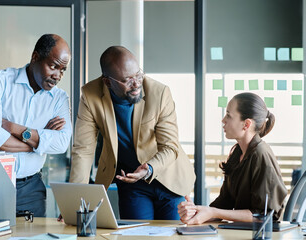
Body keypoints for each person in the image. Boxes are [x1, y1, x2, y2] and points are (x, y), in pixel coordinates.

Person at [69, 46, 195, 220]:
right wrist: (76, 200)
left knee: (172, 234)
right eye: (127, 80)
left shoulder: (159, 93)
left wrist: (148, 168)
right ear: (107, 81)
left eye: (138, 75)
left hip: (168, 177)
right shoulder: (91, 96)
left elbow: (170, 146)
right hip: (132, 182)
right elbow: (83, 150)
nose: (136, 84)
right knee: (135, 235)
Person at [0, 34, 72, 217]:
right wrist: (39, 142)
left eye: (63, 70)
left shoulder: (59, 99)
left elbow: (61, 144)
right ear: (35, 57)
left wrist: (13, 128)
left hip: (31, 189)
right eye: (53, 66)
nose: (57, 75)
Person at [178, 92, 287, 224]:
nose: (223, 120)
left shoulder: (261, 155)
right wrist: (196, 213)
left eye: (229, 115)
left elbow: (264, 216)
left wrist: (213, 212)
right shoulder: (237, 153)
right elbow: (225, 203)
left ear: (246, 124)